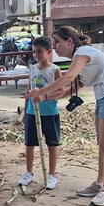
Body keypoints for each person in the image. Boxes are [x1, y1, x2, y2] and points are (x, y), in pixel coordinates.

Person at [25, 26, 104, 206]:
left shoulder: (82, 52)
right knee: (102, 144)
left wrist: (41, 90)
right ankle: (100, 183)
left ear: (69, 42)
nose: (56, 47)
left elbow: (68, 78)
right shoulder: (79, 57)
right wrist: (44, 97)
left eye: (57, 42)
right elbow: (75, 87)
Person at [18, 36, 65, 190]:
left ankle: (51, 175)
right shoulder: (32, 69)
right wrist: (25, 110)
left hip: (49, 112)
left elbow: (61, 91)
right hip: (33, 112)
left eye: (39, 52)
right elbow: (28, 90)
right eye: (34, 52)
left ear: (49, 52)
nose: (36, 55)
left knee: (52, 145)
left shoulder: (54, 70)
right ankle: (29, 173)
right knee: (30, 144)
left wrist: (45, 97)